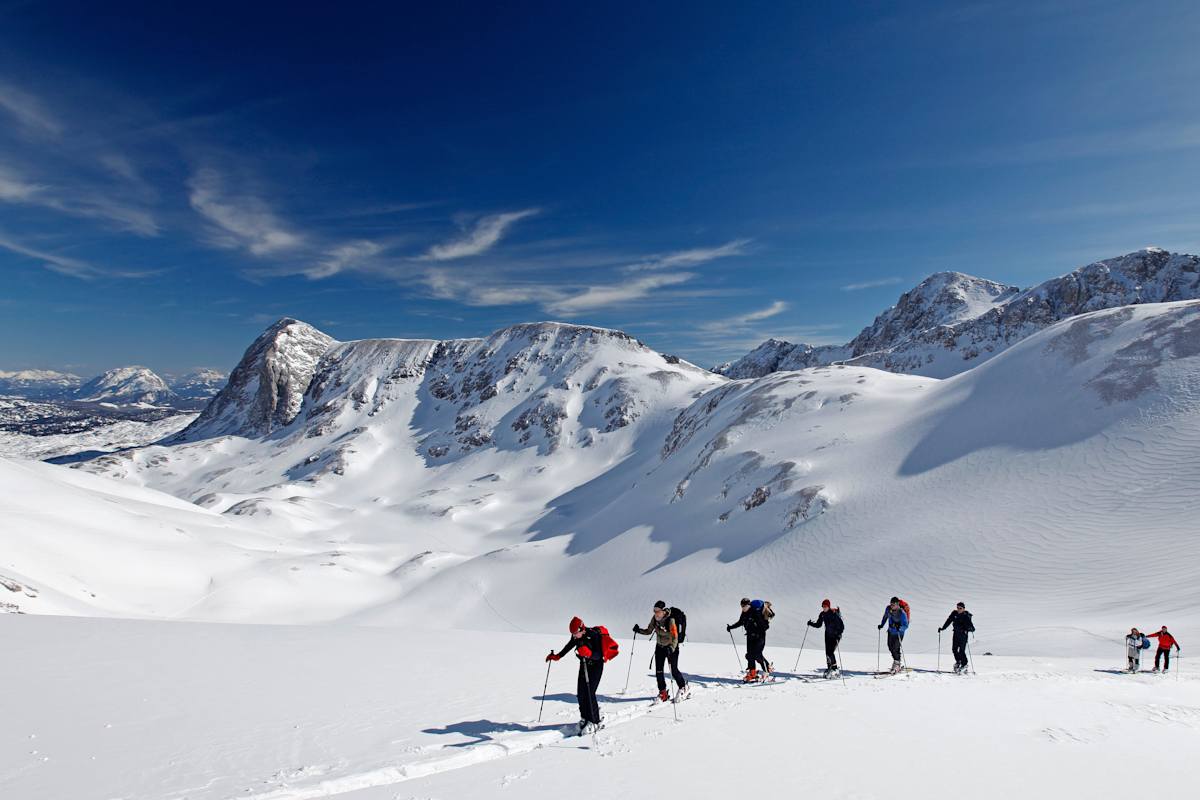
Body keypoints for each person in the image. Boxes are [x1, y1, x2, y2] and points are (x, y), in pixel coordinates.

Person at [546, 616, 605, 733]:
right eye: (572, 634)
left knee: (590, 693)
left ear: (581, 629)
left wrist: (588, 653)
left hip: (596, 666)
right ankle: (584, 717)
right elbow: (569, 646)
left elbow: (599, 655)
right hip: (584, 665)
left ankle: (595, 721)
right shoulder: (576, 636)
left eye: (575, 633)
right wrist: (557, 656)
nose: (573, 636)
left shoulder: (593, 635)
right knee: (580, 693)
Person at [634, 601, 688, 702]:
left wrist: (671, 648)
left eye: (657, 611)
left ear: (663, 611)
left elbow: (675, 637)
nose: (655, 613)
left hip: (672, 647)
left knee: (674, 670)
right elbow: (649, 631)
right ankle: (663, 692)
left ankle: (683, 687)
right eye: (654, 611)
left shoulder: (670, 620)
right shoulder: (655, 619)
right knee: (659, 671)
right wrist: (639, 630)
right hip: (659, 647)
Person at [728, 597, 771, 682]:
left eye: (744, 606)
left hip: (759, 637)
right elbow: (740, 622)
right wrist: (731, 627)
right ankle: (752, 673)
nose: (743, 607)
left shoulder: (755, 612)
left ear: (749, 605)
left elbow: (765, 626)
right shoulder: (744, 613)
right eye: (741, 606)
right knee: (750, 655)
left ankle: (766, 670)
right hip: (750, 636)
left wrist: (759, 632)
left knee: (757, 654)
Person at [807, 599, 845, 677]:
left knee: (830, 652)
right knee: (827, 653)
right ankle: (829, 668)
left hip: (835, 636)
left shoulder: (833, 614)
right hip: (827, 635)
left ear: (828, 606)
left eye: (825, 606)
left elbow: (841, 626)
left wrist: (838, 633)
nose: (824, 608)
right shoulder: (822, 614)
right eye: (823, 606)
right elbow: (818, 624)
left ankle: (835, 669)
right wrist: (811, 623)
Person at [938, 602, 976, 674]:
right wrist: (943, 628)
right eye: (957, 608)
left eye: (960, 608)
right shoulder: (954, 613)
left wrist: (967, 628)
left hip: (963, 635)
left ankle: (964, 664)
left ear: (964, 609)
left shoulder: (966, 616)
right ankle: (958, 662)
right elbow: (948, 621)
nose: (958, 609)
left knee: (961, 651)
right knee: (954, 649)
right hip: (955, 634)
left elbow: (973, 628)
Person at [878, 597, 909, 674]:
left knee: (896, 647)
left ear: (897, 604)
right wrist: (881, 625)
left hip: (899, 633)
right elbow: (885, 617)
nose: (891, 605)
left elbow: (906, 625)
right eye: (891, 604)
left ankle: (897, 663)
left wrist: (900, 627)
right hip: (891, 631)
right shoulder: (888, 609)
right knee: (890, 646)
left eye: (893, 604)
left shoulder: (902, 613)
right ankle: (896, 661)